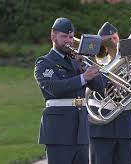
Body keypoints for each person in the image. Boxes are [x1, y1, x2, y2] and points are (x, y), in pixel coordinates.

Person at [34, 17, 106, 164]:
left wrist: (86, 65)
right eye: (64, 36)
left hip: (80, 131)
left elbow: (99, 87)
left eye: (71, 37)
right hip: (58, 131)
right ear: (53, 36)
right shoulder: (44, 62)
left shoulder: (77, 62)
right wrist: (83, 78)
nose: (68, 41)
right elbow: (55, 88)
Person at [88, 22, 131, 164]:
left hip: (124, 126)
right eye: (107, 39)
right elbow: (90, 85)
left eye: (114, 39)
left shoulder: (129, 60)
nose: (112, 42)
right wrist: (109, 81)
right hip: (101, 127)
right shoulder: (92, 60)